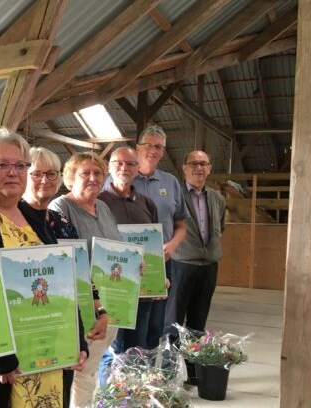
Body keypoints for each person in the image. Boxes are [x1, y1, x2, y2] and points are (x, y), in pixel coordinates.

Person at [0, 129, 87, 408]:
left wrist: (77, 338)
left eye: (21, 165)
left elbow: (61, 281)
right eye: (2, 164)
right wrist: (3, 360)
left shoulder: (32, 215)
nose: (13, 172)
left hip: (44, 354)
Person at [22, 146, 101, 405]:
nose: (44, 180)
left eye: (51, 173)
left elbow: (79, 271)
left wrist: (97, 309)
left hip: (63, 324)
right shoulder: (14, 218)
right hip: (30, 327)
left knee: (61, 393)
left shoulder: (61, 221)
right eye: (36, 174)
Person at [47, 152, 120, 407]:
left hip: (111, 304)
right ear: (69, 179)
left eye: (97, 173)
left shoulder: (104, 207)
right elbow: (67, 262)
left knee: (93, 367)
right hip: (85, 306)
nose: (92, 178)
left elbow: (116, 250)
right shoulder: (61, 208)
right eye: (84, 173)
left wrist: (135, 266)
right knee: (82, 370)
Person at [96, 147, 162, 385]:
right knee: (112, 353)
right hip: (112, 294)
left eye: (130, 164)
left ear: (138, 168)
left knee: (136, 350)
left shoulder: (148, 203)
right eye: (118, 163)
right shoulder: (98, 201)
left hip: (142, 294)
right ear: (110, 167)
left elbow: (155, 246)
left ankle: (131, 397)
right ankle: (108, 398)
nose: (124, 168)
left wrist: (158, 278)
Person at [132, 125, 188, 349]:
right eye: (148, 145)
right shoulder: (121, 179)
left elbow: (182, 225)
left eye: (158, 147)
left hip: (161, 263)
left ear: (163, 151)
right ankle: (122, 378)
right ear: (138, 148)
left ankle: (146, 377)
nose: (153, 151)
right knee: (127, 324)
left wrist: (172, 245)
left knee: (155, 324)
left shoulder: (171, 182)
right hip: (127, 263)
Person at [164, 150, 225, 340]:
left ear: (209, 169)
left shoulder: (218, 199)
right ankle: (170, 367)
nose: (199, 168)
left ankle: (191, 367)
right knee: (173, 322)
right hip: (180, 266)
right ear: (184, 168)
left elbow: (220, 228)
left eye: (203, 164)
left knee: (198, 324)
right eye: (193, 164)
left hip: (208, 268)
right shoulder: (174, 196)